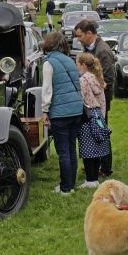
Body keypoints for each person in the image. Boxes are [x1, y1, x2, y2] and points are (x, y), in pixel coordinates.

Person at [42, 32, 84, 194]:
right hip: (76, 110)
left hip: (60, 112)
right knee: (71, 149)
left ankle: (65, 188)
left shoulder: (49, 63)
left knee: (63, 152)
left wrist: (45, 110)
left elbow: (47, 89)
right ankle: (70, 185)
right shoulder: (70, 60)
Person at [74, 19, 115, 176]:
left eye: (80, 36)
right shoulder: (89, 48)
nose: (78, 39)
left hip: (99, 103)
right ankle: (94, 165)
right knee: (94, 133)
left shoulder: (103, 51)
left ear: (89, 33)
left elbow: (109, 78)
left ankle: (105, 168)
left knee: (101, 133)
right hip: (93, 103)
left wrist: (99, 100)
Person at [76, 52, 111, 188]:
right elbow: (102, 101)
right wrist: (101, 116)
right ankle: (94, 178)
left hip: (87, 116)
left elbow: (82, 98)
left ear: (83, 65)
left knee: (87, 150)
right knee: (96, 149)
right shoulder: (97, 78)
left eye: (77, 64)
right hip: (98, 116)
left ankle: (90, 180)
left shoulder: (83, 80)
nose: (76, 67)